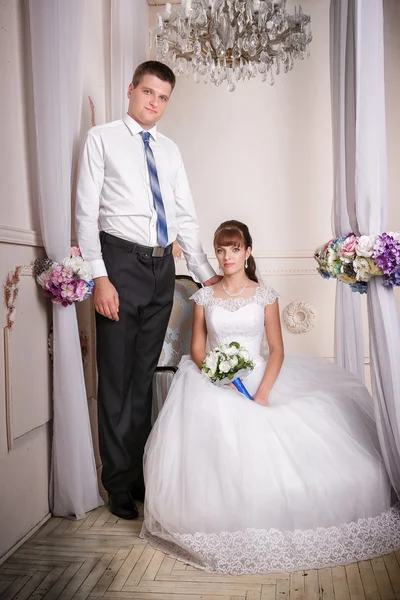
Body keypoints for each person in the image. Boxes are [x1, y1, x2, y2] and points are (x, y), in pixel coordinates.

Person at [141, 219, 400, 574]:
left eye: (234, 249)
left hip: (262, 375)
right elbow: (198, 349)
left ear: (248, 252)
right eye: (220, 249)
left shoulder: (265, 295)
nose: (226, 256)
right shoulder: (204, 296)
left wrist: (262, 393)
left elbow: (277, 350)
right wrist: (218, 372)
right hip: (214, 378)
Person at [75, 61, 219, 520]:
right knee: (115, 380)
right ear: (131, 89)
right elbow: (84, 215)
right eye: (148, 92)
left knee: (143, 378)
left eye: (163, 97)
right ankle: (116, 483)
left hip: (162, 270)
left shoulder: (171, 150)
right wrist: (100, 277)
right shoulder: (101, 139)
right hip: (118, 264)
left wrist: (202, 272)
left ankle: (137, 474)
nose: (154, 102)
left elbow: (185, 215)